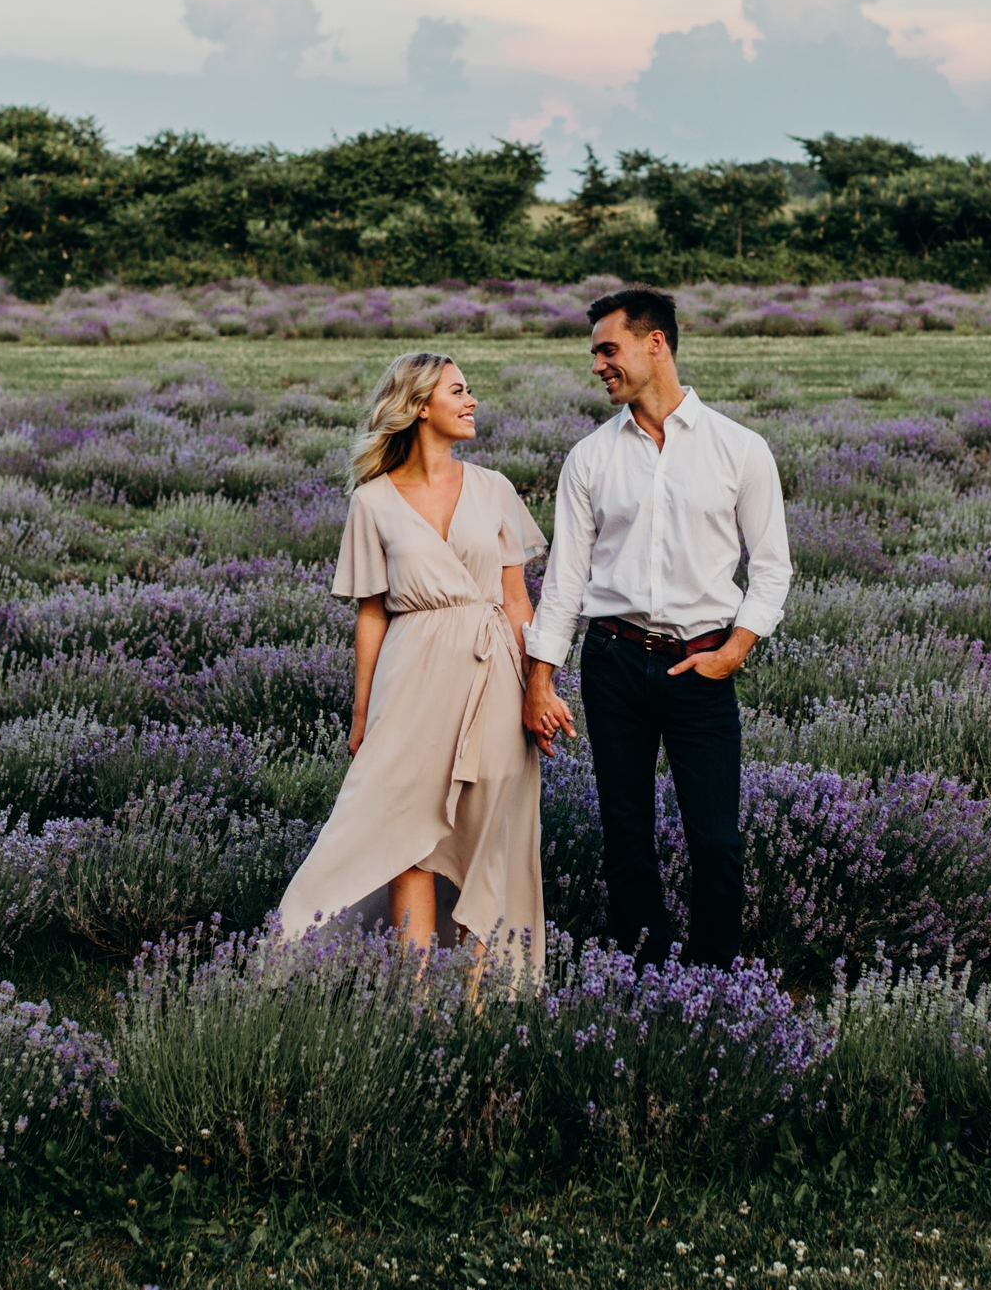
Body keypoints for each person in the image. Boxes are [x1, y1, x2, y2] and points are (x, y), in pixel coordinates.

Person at [522, 288, 791, 969]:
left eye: (607, 350)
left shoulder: (740, 449)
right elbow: (565, 583)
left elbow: (772, 569)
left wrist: (734, 651)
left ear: (655, 345)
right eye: (595, 354)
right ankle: (644, 974)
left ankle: (714, 979)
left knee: (715, 840)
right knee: (626, 835)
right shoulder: (589, 459)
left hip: (701, 665)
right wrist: (540, 678)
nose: (598, 366)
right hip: (613, 661)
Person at [276, 352, 549, 976]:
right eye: (459, 391)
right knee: (407, 840)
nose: (472, 400)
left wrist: (541, 684)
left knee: (489, 834)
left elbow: (516, 601)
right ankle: (417, 1002)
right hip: (411, 681)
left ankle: (485, 1007)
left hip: (495, 678)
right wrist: (363, 713)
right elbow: (371, 615)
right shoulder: (372, 502)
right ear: (420, 405)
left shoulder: (495, 488)